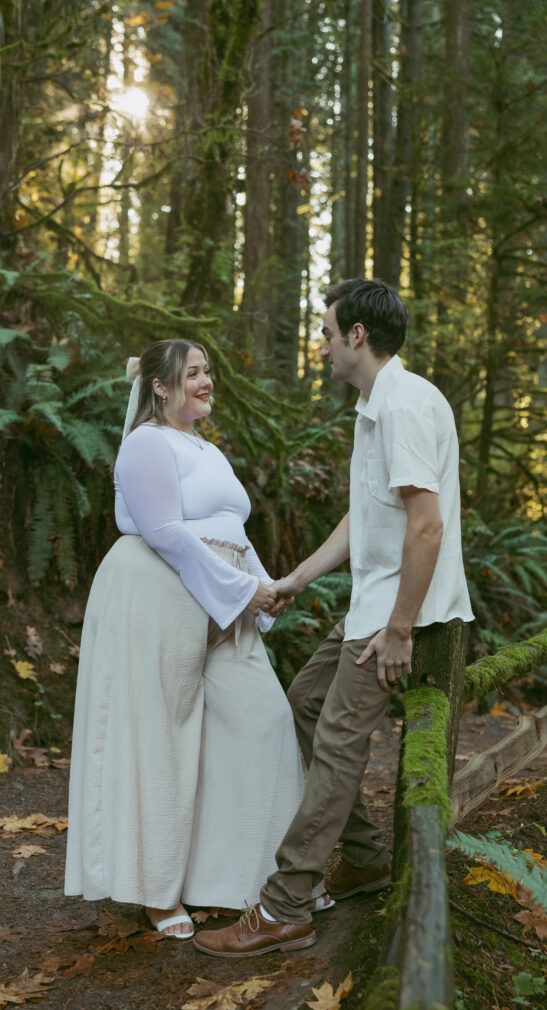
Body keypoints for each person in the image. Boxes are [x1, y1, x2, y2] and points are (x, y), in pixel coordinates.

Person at [194, 278, 473, 957]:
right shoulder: (377, 405)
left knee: (338, 745)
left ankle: (284, 905)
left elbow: (427, 528)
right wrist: (295, 577)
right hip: (373, 606)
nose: (318, 347)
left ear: (355, 336)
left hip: (406, 616)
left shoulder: (402, 407)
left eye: (324, 333)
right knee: (308, 701)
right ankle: (368, 857)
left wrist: (400, 629)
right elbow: (365, 514)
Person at [65, 339, 321, 940]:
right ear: (160, 385)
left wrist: (263, 586)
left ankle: (258, 883)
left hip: (223, 601)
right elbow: (165, 533)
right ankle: (157, 892)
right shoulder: (145, 443)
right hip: (156, 595)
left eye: (209, 371)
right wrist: (241, 589)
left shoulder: (205, 449)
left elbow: (229, 528)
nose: (207, 381)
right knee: (160, 736)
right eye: (194, 372)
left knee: (263, 720)